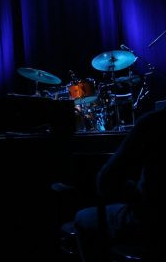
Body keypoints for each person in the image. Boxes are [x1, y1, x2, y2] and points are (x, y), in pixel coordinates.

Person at [74, 108, 166, 261]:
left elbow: (106, 181)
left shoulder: (153, 121)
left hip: (150, 222)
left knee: (82, 218)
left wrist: (135, 193)